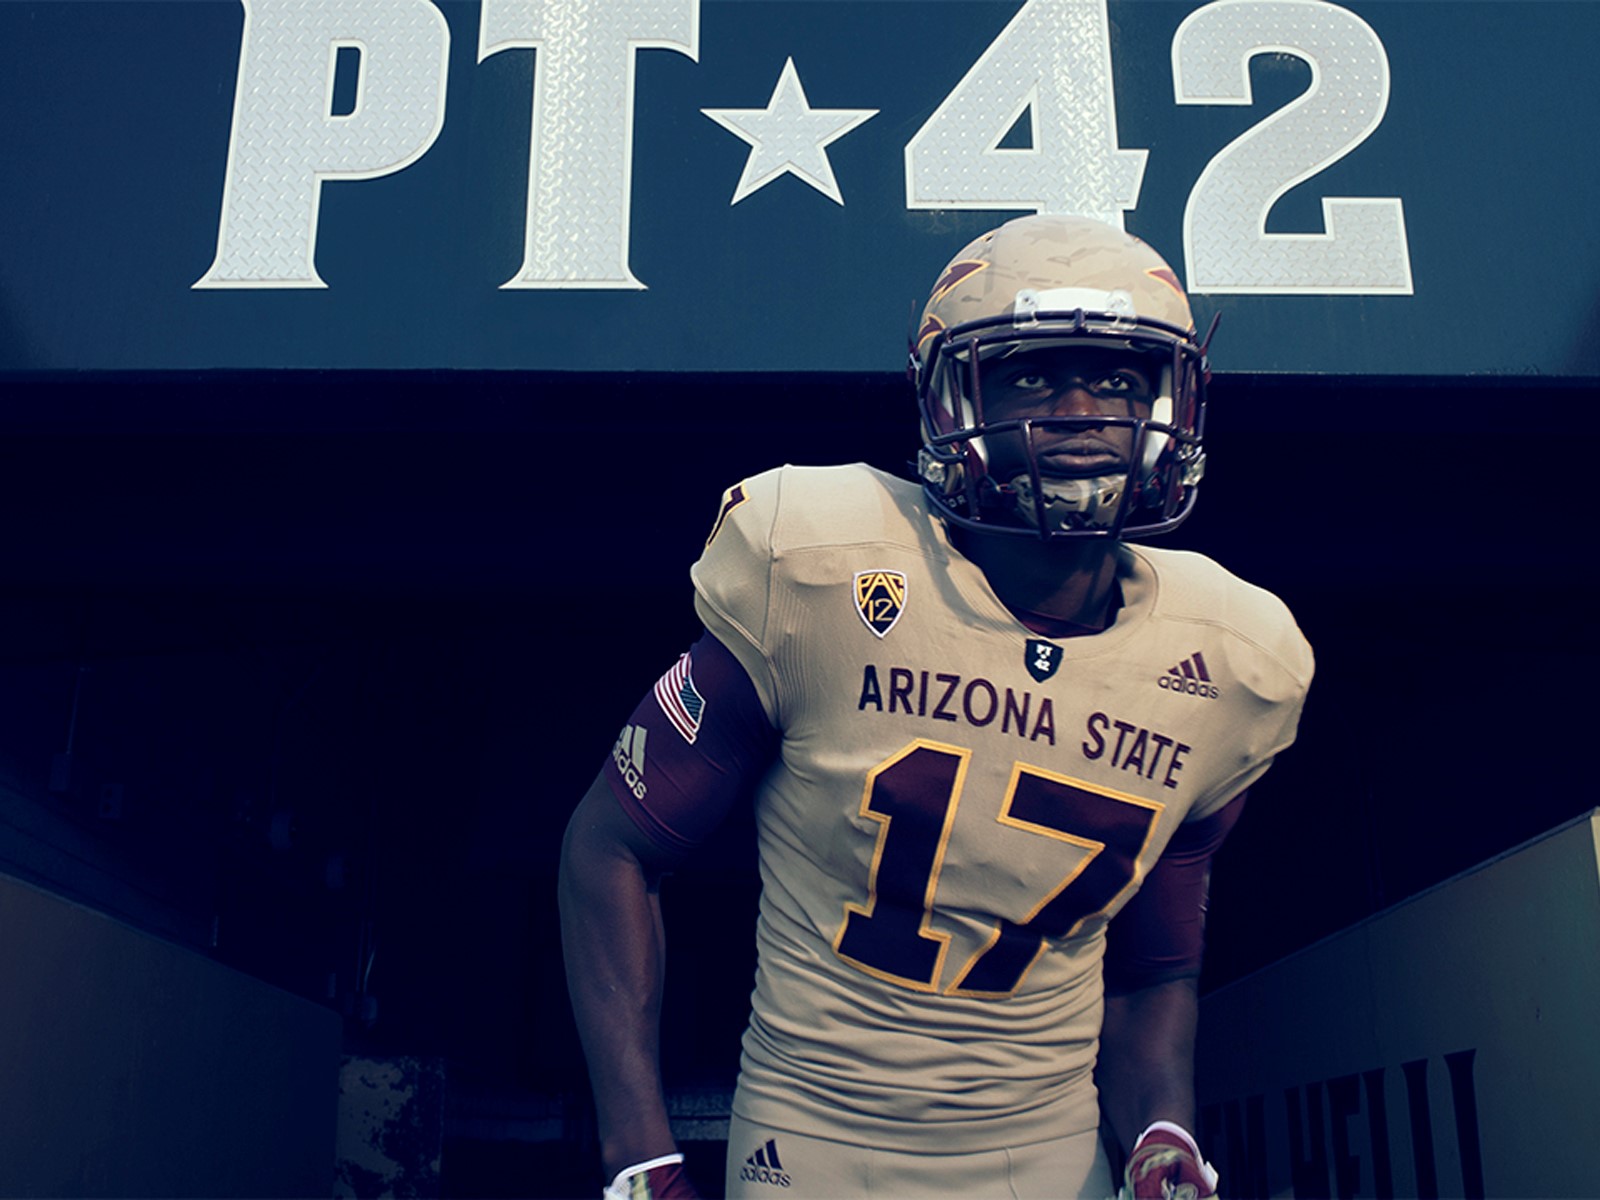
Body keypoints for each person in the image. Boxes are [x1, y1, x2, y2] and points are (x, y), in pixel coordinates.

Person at [559, 214, 1313, 1199]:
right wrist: (637, 1156)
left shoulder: (1232, 659)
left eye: (1120, 379)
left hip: (1047, 1156)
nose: (1082, 409)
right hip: (815, 1141)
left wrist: (1160, 1131)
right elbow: (610, 846)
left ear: (1175, 403)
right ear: (951, 394)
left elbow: (1151, 972)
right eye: (1032, 376)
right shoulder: (822, 565)